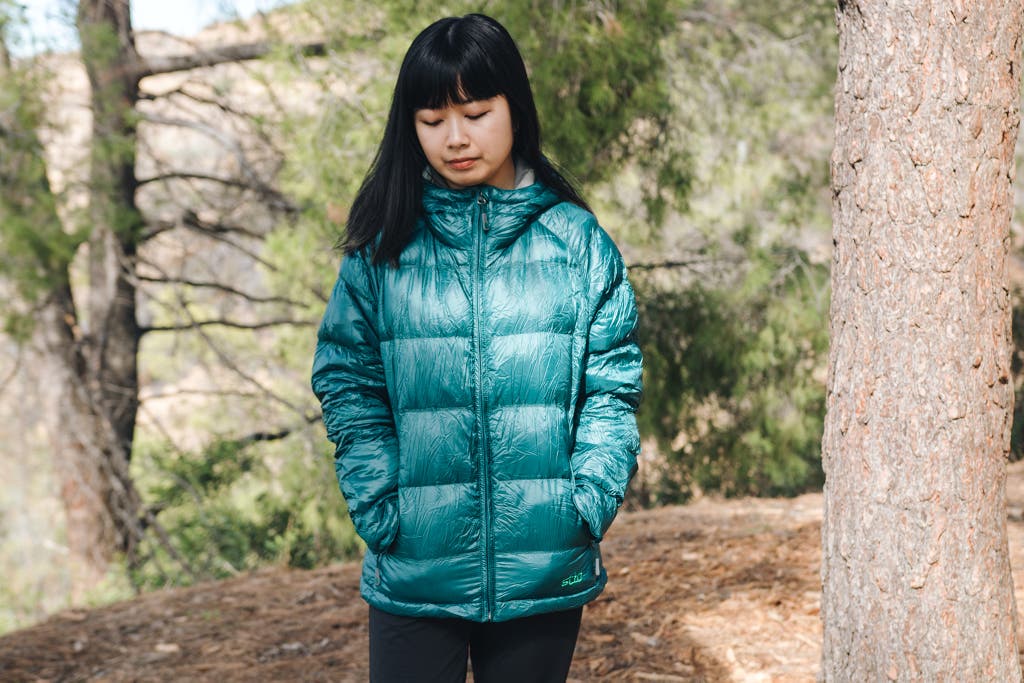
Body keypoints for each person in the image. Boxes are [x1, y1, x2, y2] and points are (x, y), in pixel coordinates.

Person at [310, 13, 642, 683]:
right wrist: (381, 504)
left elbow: (613, 382)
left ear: (515, 108)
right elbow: (347, 377)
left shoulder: (575, 241)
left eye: (476, 113)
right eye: (432, 120)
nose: (455, 138)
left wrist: (586, 501)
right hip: (414, 565)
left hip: (542, 562)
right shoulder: (385, 248)